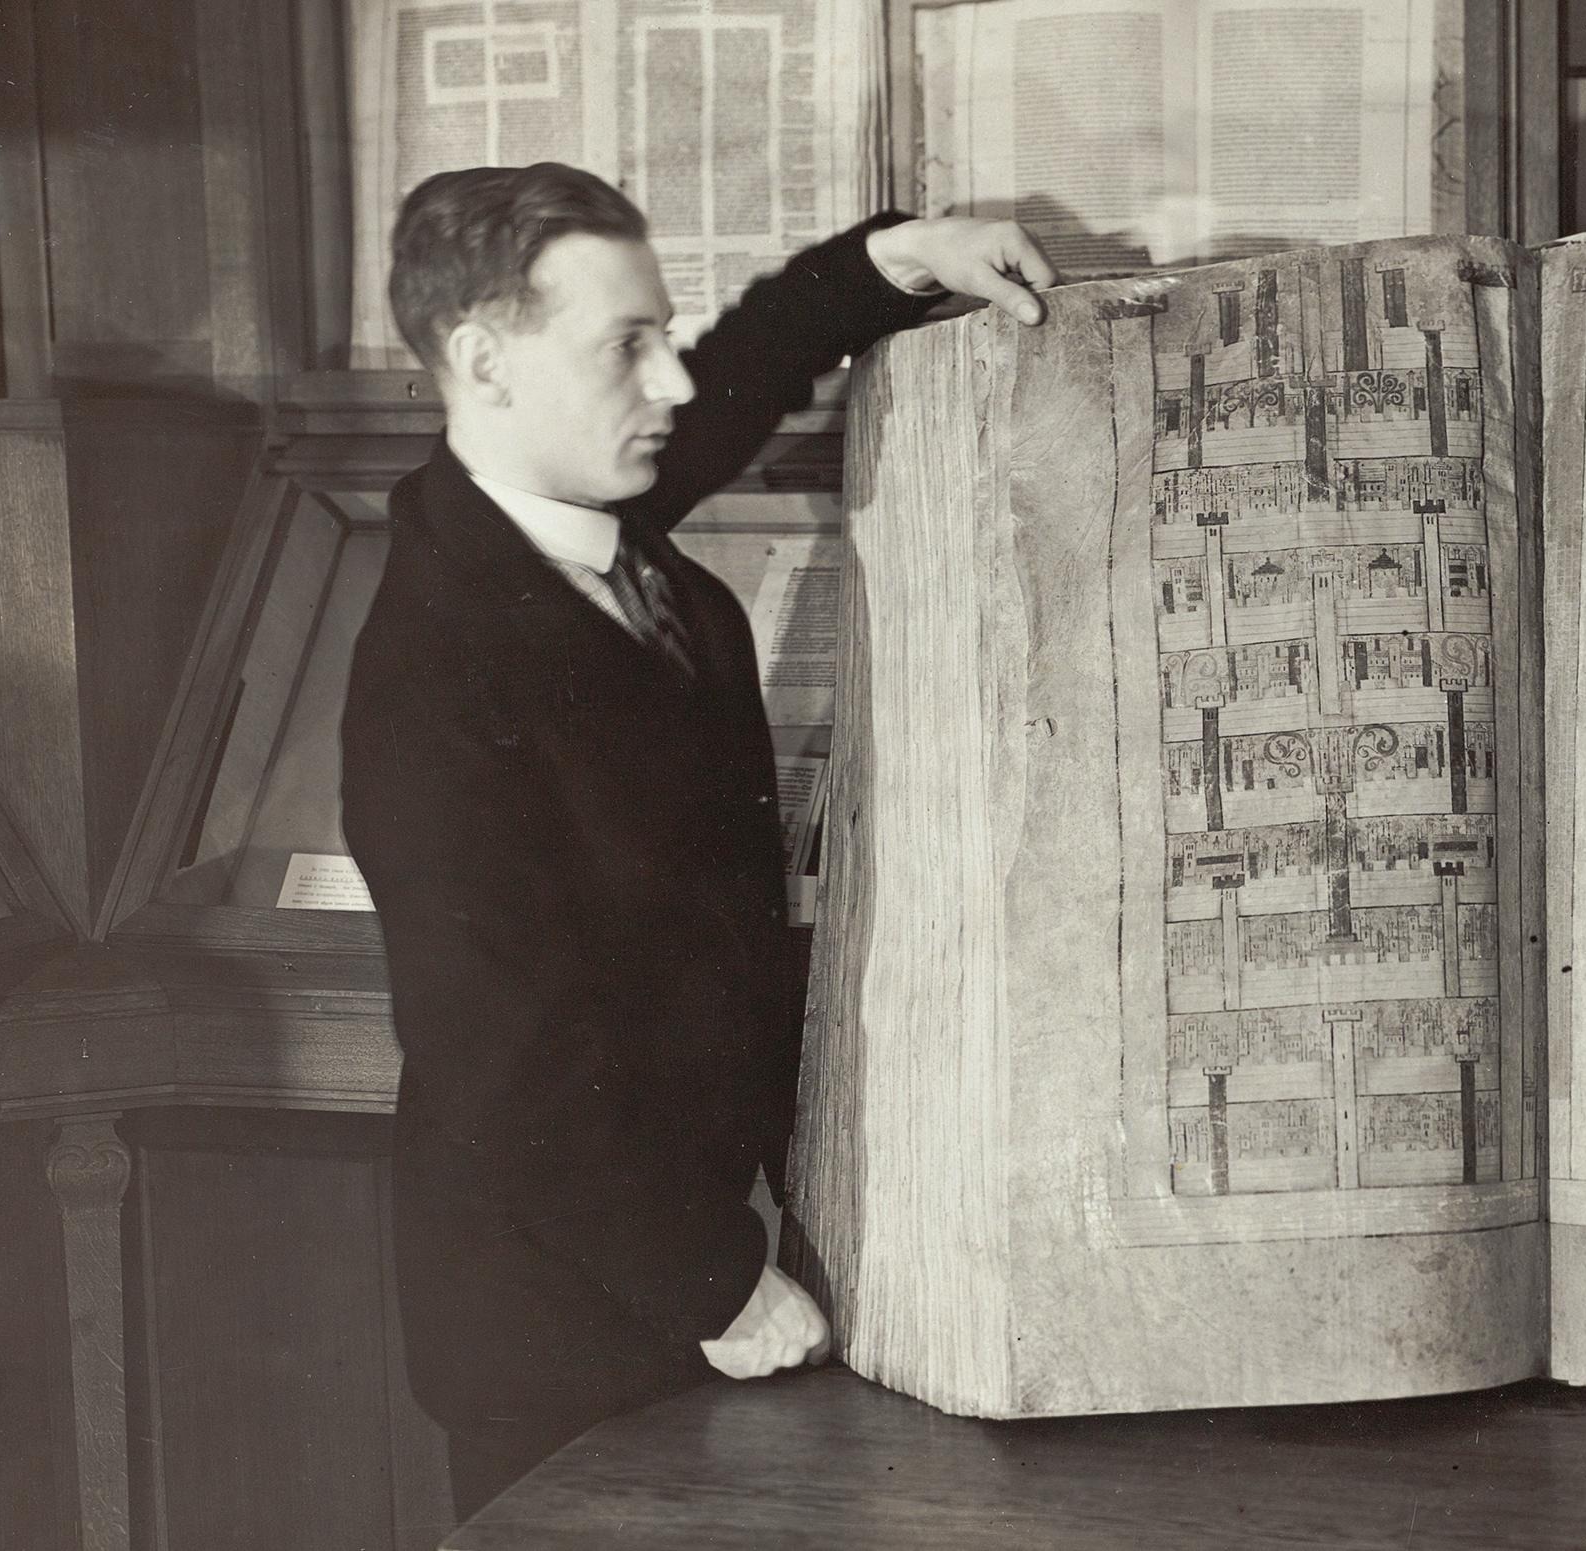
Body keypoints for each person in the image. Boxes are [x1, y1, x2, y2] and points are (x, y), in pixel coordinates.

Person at [339, 162, 1053, 1522]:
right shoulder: (433, 668)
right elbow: (501, 1055)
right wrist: (713, 1282)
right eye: (626, 346)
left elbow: (732, 382)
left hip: (697, 1273)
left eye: (661, 334)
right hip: (566, 1323)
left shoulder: (593, 531)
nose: (670, 384)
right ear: (484, 361)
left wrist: (902, 260)